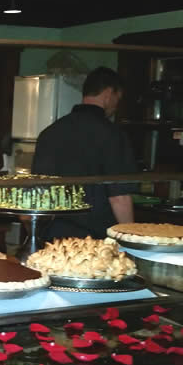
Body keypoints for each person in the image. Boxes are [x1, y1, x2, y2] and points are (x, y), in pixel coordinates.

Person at [31, 67, 138, 241]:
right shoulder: (112, 135)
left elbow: (37, 192)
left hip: (53, 236)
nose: (116, 107)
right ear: (109, 94)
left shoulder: (50, 132)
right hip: (96, 238)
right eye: (118, 99)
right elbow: (119, 196)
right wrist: (131, 240)